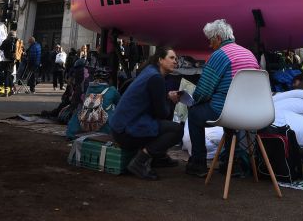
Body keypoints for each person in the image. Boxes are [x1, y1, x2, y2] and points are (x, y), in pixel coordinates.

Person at [184, 19, 259, 177]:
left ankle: (198, 163)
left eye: (211, 41)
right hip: (251, 111)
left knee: (194, 113)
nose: (210, 45)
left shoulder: (219, 55)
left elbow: (203, 91)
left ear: (218, 38)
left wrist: (192, 100)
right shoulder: (249, 54)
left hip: (228, 111)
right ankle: (234, 162)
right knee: (229, 110)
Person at [111, 46, 183, 180]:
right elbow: (162, 113)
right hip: (127, 131)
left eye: (176, 59)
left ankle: (158, 157)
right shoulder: (156, 78)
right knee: (177, 131)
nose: (175, 61)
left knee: (165, 126)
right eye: (172, 58)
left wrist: (165, 97)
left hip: (121, 127)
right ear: (160, 60)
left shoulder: (150, 72)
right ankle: (140, 162)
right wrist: (171, 101)